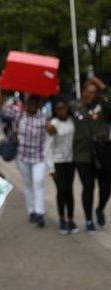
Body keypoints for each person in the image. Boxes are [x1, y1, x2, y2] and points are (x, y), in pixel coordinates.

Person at [71, 77, 111, 233]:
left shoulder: (102, 105)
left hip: (103, 151)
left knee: (106, 188)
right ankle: (88, 220)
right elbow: (59, 114)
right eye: (89, 92)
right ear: (84, 92)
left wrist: (103, 86)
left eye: (95, 93)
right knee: (88, 187)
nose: (92, 95)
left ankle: (100, 209)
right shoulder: (75, 106)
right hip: (83, 154)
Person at [13, 95, 48, 227]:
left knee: (38, 182)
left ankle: (40, 213)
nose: (32, 105)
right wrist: (1, 91)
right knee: (27, 184)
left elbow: (50, 135)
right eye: (30, 102)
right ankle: (31, 211)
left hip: (38, 157)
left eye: (35, 102)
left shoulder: (44, 118)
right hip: (22, 156)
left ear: (39, 104)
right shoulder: (20, 115)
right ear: (26, 103)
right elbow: (3, 109)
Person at [45, 97, 78, 235]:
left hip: (70, 161)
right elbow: (48, 148)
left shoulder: (72, 122)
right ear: (55, 111)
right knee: (61, 190)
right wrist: (51, 168)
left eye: (63, 108)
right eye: (58, 109)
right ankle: (62, 219)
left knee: (69, 191)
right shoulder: (53, 124)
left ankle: (71, 219)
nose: (61, 111)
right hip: (58, 163)